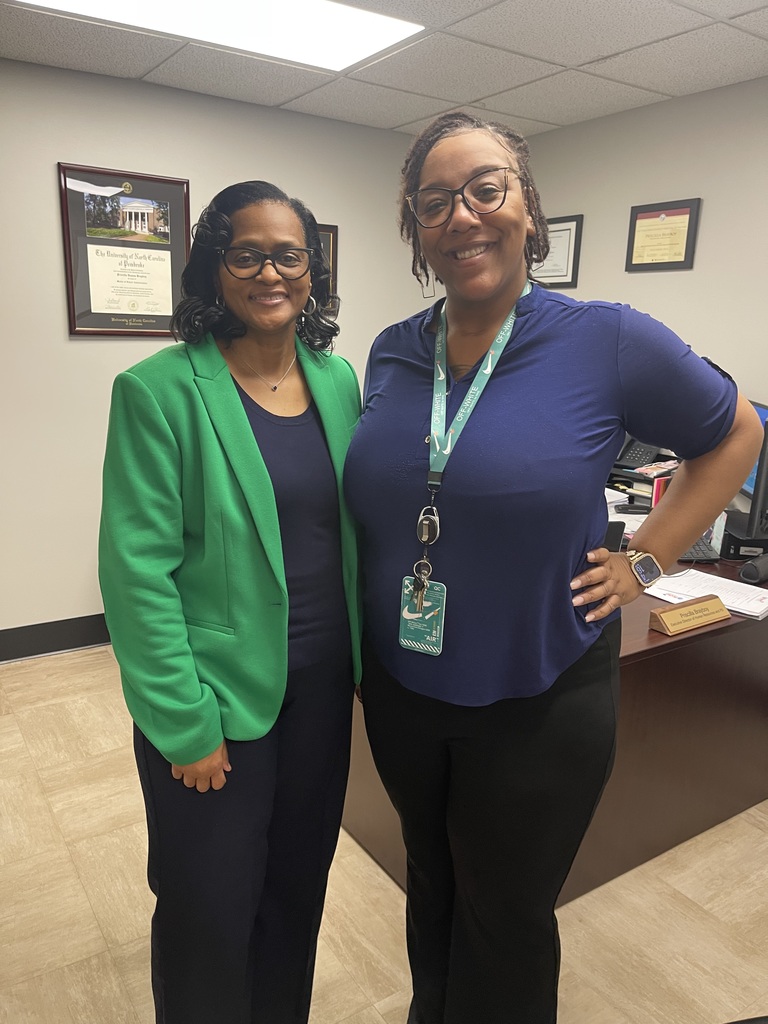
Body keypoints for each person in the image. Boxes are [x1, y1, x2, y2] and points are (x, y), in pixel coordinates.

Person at [343, 112, 763, 1024]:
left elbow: (737, 433)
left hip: (537, 696)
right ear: (416, 230)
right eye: (435, 201)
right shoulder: (391, 351)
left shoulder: (606, 337)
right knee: (432, 883)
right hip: (405, 686)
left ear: (529, 207)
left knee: (505, 915)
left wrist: (647, 561)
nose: (464, 216)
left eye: (487, 188)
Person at [99, 180, 362, 1024]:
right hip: (215, 703)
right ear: (214, 268)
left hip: (321, 696)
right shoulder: (159, 390)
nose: (269, 272)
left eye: (288, 254)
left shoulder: (338, 381)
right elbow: (136, 575)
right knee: (208, 911)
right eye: (245, 253)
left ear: (311, 271)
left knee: (296, 890)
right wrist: (184, 722)